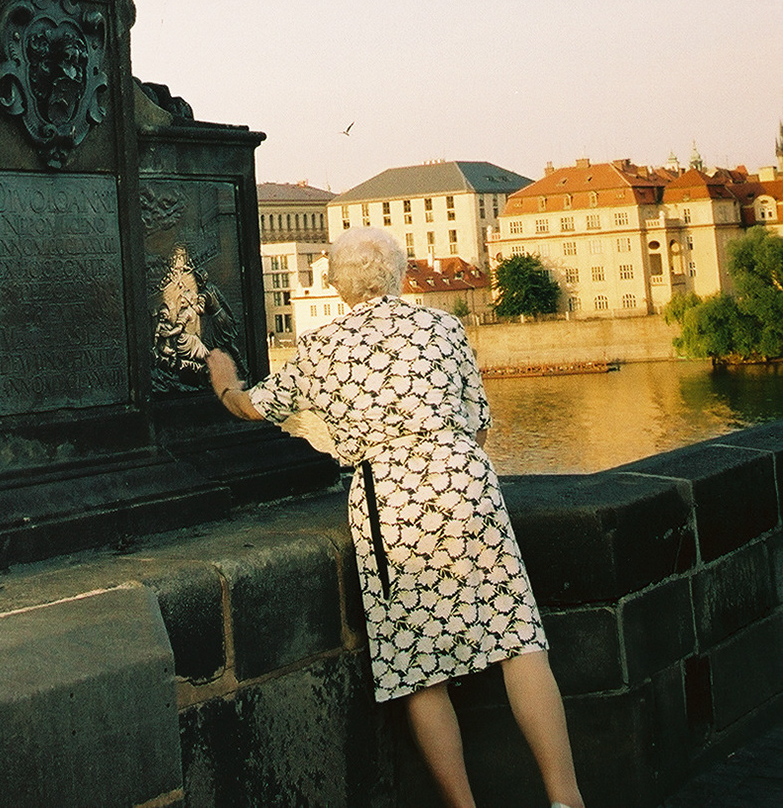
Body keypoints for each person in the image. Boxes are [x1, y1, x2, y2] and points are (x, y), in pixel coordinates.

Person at [207, 229, 584, 808]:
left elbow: (253, 406)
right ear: (400, 274)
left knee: (418, 669)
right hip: (465, 480)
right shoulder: (442, 326)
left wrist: (224, 377)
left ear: (335, 283)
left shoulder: (319, 347)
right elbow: (478, 421)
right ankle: (566, 799)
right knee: (519, 642)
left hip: (391, 504)